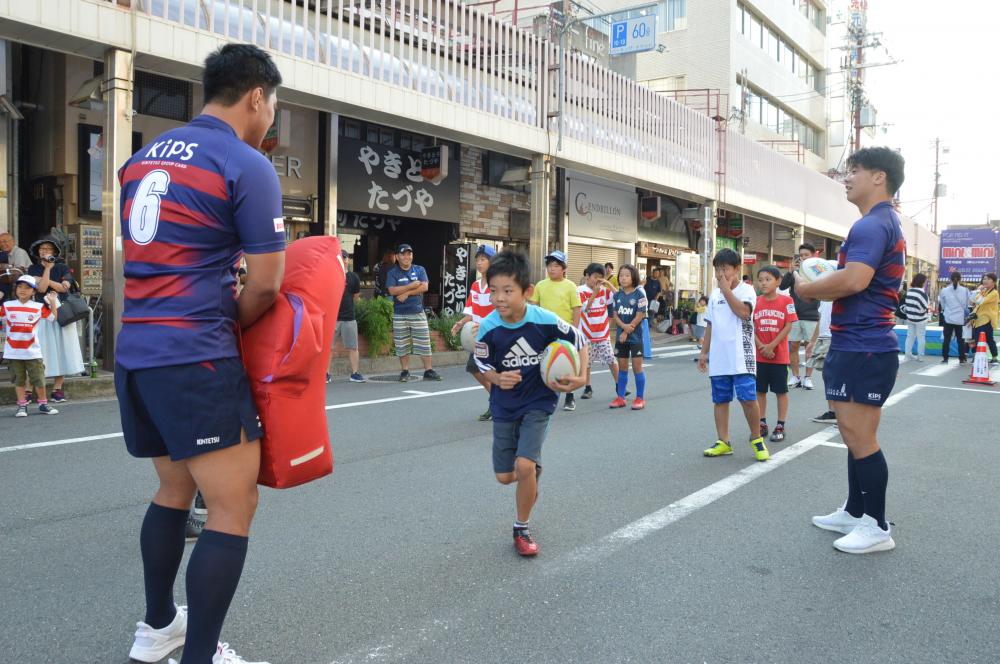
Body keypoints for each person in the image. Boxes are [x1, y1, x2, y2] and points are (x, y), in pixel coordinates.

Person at [115, 43, 285, 664]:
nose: (270, 120)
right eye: (273, 106)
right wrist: (230, 326)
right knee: (233, 506)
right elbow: (266, 283)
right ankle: (200, 655)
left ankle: (160, 626)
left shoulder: (138, 160)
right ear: (256, 96)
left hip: (136, 349)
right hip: (197, 355)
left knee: (172, 491)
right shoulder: (244, 162)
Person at [795, 146, 906, 555]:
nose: (847, 176)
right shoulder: (878, 222)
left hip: (865, 344)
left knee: (861, 437)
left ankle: (876, 526)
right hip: (857, 343)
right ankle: (856, 510)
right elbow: (856, 276)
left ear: (879, 177)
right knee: (850, 433)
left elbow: (856, 280)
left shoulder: (873, 225)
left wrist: (806, 288)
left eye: (854, 170)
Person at [474, 250, 588, 556]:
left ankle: (521, 527)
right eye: (494, 290)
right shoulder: (488, 328)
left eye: (508, 291)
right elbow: (481, 364)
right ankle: (530, 473)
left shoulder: (545, 321)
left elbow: (581, 340)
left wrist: (582, 377)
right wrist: (497, 379)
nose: (499, 298)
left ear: (527, 292)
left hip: (539, 401)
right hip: (504, 405)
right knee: (505, 476)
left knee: (524, 465)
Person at [698, 249, 770, 462]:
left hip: (741, 356)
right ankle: (723, 441)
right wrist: (704, 353)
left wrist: (726, 289)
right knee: (720, 400)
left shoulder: (747, 290)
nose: (721, 274)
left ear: (737, 269)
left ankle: (757, 439)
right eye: (718, 270)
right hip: (720, 358)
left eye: (725, 269)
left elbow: (744, 313)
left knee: (748, 399)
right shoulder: (714, 295)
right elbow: (710, 325)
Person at [26, 236, 85, 403]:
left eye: (48, 249)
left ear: (54, 252)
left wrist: (49, 277)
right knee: (39, 351)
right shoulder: (33, 268)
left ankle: (57, 389)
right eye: (42, 249)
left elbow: (64, 287)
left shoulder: (63, 267)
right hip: (41, 313)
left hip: (62, 312)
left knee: (62, 349)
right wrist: (46, 270)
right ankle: (30, 388)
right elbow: (41, 289)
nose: (44, 252)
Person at [530, 250, 582, 411]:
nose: (552, 269)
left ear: (563, 268)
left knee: (566, 365)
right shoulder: (540, 285)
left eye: (556, 266)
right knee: (542, 363)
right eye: (549, 265)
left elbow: (576, 309)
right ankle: (543, 395)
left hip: (565, 331)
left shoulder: (571, 286)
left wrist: (574, 329)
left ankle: (570, 397)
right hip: (544, 331)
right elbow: (534, 307)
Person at [1, 275, 60, 416]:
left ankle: (43, 404)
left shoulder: (38, 307)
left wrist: (52, 302)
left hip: (33, 351)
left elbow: (53, 318)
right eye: (20, 287)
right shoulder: (7, 306)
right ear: (16, 289)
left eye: (27, 288)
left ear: (33, 292)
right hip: (13, 351)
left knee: (38, 379)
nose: (22, 290)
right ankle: (22, 406)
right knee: (19, 380)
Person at [451, 245, 496, 421]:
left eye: (483, 259)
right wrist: (461, 323)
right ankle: (498, 400)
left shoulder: (497, 285)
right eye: (477, 260)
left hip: (494, 335)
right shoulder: (476, 285)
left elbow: (501, 311)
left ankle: (498, 402)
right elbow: (470, 312)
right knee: (474, 369)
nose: (479, 263)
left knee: (489, 371)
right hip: (478, 336)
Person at [753, 266, 797, 443]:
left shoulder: (787, 301)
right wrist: (761, 346)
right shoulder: (755, 301)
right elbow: (751, 326)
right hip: (759, 355)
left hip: (779, 355)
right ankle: (761, 423)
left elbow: (788, 325)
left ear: (778, 281)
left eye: (768, 279)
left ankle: (780, 424)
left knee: (781, 391)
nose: (763, 283)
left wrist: (771, 345)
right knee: (759, 391)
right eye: (761, 279)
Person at [386, 244, 441, 382]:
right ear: (397, 257)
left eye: (409, 254)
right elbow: (392, 291)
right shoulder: (392, 273)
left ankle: (428, 370)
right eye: (403, 254)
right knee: (401, 343)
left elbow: (425, 286)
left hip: (417, 311)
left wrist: (406, 293)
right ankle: (405, 371)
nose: (406, 257)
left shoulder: (419, 269)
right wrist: (411, 286)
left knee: (424, 342)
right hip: (399, 313)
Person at [780, 243, 821, 389]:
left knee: (810, 347)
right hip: (794, 315)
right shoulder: (794, 272)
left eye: (806, 255)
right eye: (801, 255)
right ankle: (795, 376)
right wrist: (791, 271)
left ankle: (808, 378)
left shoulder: (817, 271)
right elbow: (782, 286)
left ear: (813, 255)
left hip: (812, 315)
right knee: (793, 346)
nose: (803, 258)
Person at [577, 263, 620, 400]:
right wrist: (594, 293)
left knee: (611, 359)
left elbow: (619, 297)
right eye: (595, 277)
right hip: (586, 335)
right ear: (587, 276)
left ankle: (620, 385)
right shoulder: (580, 290)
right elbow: (585, 308)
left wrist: (608, 284)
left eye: (600, 277)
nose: (597, 280)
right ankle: (588, 387)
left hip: (603, 334)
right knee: (587, 363)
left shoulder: (604, 290)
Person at [610, 264, 648, 410]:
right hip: (621, 338)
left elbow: (640, 315)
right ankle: (620, 397)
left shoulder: (640, 294)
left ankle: (640, 398)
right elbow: (615, 315)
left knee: (637, 367)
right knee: (622, 367)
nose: (623, 278)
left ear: (633, 277)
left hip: (635, 337)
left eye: (627, 275)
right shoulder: (616, 295)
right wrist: (622, 328)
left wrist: (626, 330)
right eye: (621, 275)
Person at [334, 249, 366, 383]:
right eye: (340, 258)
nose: (343, 260)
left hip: (349, 316)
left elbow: (356, 297)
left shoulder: (354, 277)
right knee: (328, 348)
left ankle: (354, 373)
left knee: (353, 347)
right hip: (332, 318)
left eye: (345, 258)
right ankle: (325, 374)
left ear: (348, 260)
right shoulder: (331, 275)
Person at [807, 300, 836, 424]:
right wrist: (813, 341)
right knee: (827, 375)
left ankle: (845, 414)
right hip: (824, 338)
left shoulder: (841, 289)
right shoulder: (825, 296)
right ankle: (833, 412)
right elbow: (821, 319)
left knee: (839, 376)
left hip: (837, 337)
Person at [938, 271, 971, 364]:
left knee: (947, 339)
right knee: (961, 339)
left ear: (950, 279)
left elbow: (943, 305)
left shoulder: (944, 290)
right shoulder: (965, 290)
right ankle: (961, 358)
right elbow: (967, 304)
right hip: (960, 319)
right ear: (960, 279)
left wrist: (947, 310)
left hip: (948, 317)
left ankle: (945, 358)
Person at [901, 273, 931, 362]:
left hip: (910, 318)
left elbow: (906, 305)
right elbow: (925, 307)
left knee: (910, 336)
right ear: (922, 282)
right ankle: (920, 356)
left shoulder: (909, 291)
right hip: (921, 319)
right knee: (921, 337)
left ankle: (907, 355)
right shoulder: (922, 293)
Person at [971, 272, 999, 364]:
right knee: (987, 339)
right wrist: (978, 292)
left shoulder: (994, 293)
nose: (985, 281)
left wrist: (979, 292)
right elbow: (972, 300)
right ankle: (994, 357)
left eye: (988, 279)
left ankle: (978, 357)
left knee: (980, 338)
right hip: (978, 319)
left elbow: (980, 302)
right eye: (984, 279)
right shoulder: (984, 291)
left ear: (993, 282)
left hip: (986, 319)